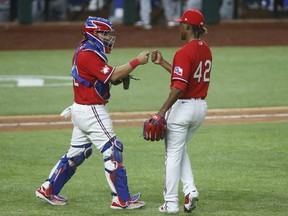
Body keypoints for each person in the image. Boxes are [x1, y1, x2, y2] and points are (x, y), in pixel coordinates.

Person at [35, 16, 149, 210]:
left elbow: (103, 78)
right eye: (104, 33)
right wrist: (136, 61)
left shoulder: (85, 49)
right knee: (113, 149)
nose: (107, 37)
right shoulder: (88, 54)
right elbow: (111, 75)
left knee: (78, 153)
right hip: (91, 110)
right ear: (93, 33)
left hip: (80, 109)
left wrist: (117, 78)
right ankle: (121, 199)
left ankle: (48, 189)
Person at [147, 9, 212, 213]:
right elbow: (186, 76)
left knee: (172, 155)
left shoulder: (184, 52)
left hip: (183, 109)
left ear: (188, 27)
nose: (179, 27)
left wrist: (161, 112)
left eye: (181, 24)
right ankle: (190, 190)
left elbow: (179, 86)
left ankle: (171, 203)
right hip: (200, 109)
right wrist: (163, 63)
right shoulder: (205, 49)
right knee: (179, 148)